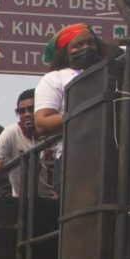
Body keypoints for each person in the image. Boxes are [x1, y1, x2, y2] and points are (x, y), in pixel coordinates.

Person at [33, 23, 106, 166]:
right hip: (73, 159)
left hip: (108, 155)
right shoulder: (54, 78)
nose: (86, 48)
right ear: (65, 52)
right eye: (78, 45)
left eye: (90, 43)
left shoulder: (107, 73)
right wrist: (88, 115)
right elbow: (42, 123)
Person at [0, 89, 50, 199]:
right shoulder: (12, 132)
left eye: (31, 109)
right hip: (22, 202)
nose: (26, 114)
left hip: (54, 199)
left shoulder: (54, 130)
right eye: (21, 111)